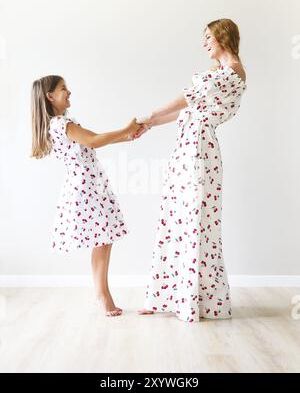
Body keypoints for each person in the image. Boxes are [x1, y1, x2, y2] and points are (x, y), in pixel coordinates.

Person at [135, 18, 247, 322]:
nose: (204, 43)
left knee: (196, 221)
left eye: (208, 36)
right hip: (189, 146)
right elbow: (187, 108)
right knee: (176, 216)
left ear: (223, 37)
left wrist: (152, 113)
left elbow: (187, 98)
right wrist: (148, 124)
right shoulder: (217, 74)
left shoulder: (232, 70)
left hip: (199, 149)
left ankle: (193, 300)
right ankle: (167, 296)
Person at [30, 75, 142, 317]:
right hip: (86, 185)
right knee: (102, 238)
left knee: (103, 238)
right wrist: (125, 129)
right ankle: (102, 295)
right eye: (63, 89)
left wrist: (126, 135)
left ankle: (101, 293)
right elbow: (94, 140)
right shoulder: (62, 124)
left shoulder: (64, 123)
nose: (69, 92)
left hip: (89, 183)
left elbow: (92, 141)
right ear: (50, 97)